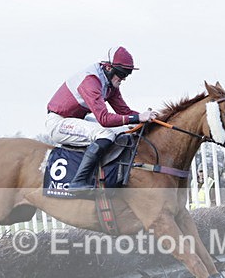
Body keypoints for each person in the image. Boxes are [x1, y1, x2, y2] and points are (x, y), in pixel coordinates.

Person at [45, 46, 158, 194]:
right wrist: (137, 117)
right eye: (122, 73)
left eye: (127, 74)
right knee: (105, 134)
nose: (124, 78)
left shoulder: (110, 83)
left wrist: (150, 120)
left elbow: (124, 112)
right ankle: (78, 181)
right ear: (109, 68)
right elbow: (104, 119)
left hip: (76, 119)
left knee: (124, 131)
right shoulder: (90, 81)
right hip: (59, 122)